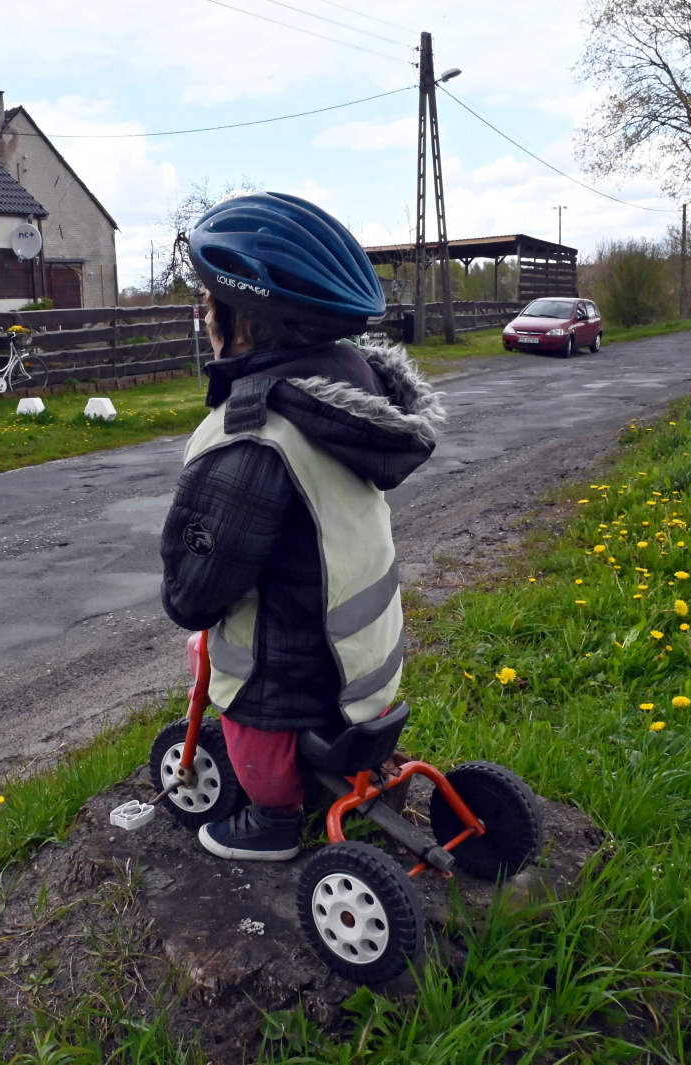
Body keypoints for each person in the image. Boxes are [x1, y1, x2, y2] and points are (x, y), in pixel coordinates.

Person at [160, 192, 445, 862]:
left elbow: (197, 589)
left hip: (290, 682)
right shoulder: (348, 400)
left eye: (207, 303)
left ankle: (274, 820)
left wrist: (186, 591)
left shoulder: (255, 437)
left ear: (248, 323)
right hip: (365, 669)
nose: (203, 316)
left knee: (241, 708)